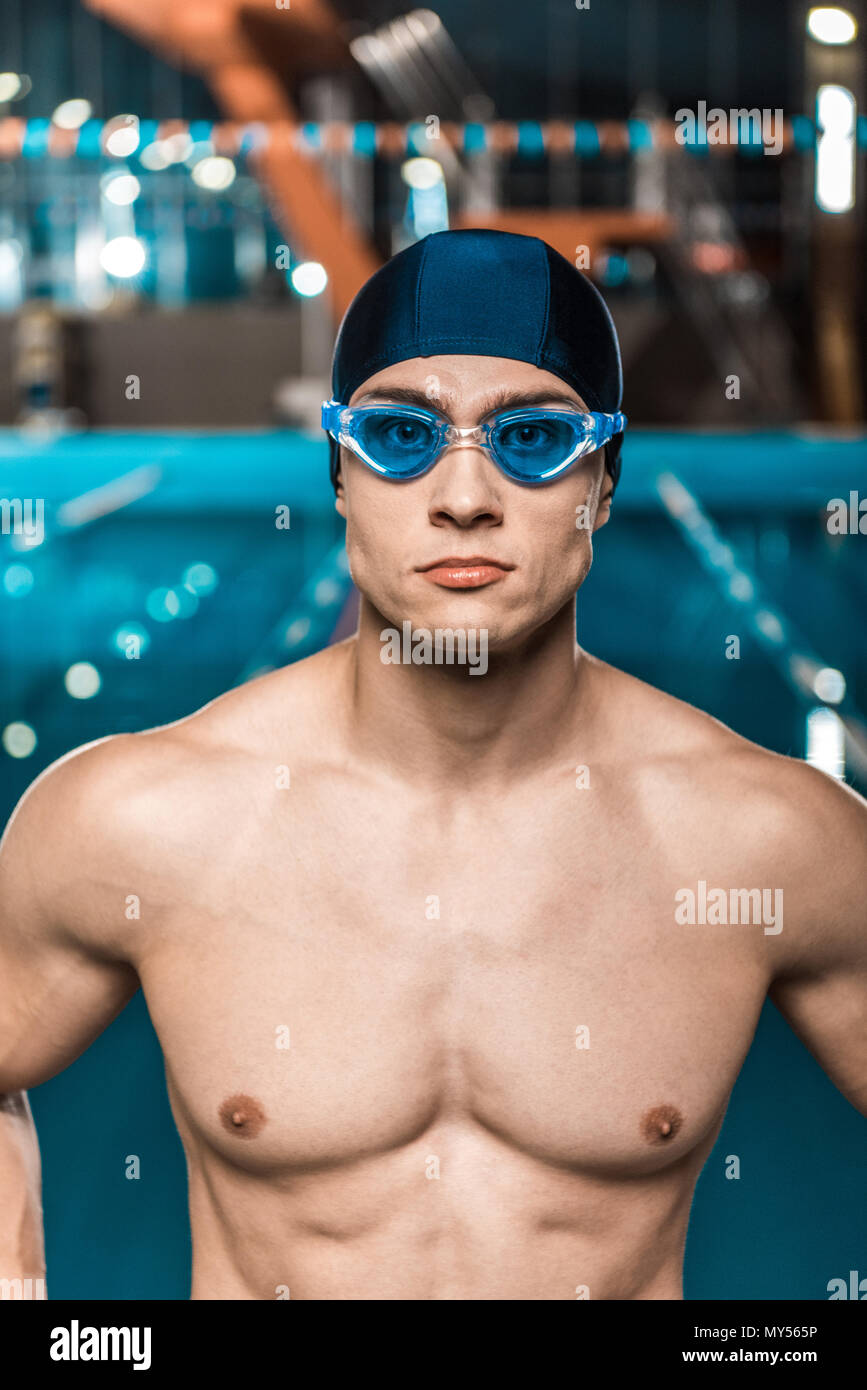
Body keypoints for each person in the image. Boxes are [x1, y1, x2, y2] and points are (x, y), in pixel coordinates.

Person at [1, 230, 865, 1301]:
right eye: (402, 435)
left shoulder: (771, 836)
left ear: (602, 479)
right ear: (338, 476)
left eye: (534, 438)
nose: (464, 495)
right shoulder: (141, 816)